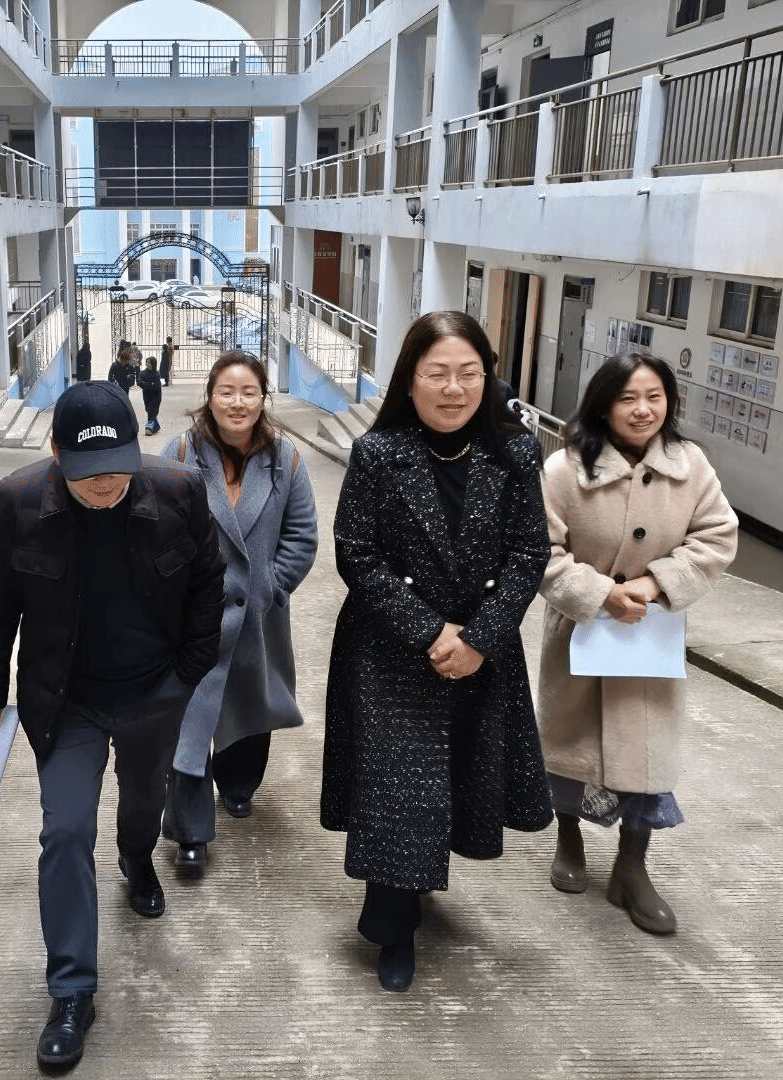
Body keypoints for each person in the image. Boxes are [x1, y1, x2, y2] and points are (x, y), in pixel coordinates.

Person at [0, 381, 224, 1069]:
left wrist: (188, 672)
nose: (105, 485)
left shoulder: (178, 491)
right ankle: (72, 990)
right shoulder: (17, 501)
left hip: (154, 692)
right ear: (56, 455)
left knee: (144, 800)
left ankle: (136, 857)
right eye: (88, 475)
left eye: (117, 469)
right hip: (65, 700)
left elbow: (209, 582)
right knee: (65, 828)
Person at [321, 310, 552, 993]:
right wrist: (429, 631)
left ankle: (418, 885)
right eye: (437, 374)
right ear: (409, 379)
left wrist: (480, 637)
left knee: (452, 778)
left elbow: (530, 552)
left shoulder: (516, 453)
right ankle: (392, 929)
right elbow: (356, 553)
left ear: (487, 376)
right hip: (390, 649)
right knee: (400, 789)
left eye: (468, 373)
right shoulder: (377, 453)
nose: (454, 389)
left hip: (482, 647)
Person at [537, 351, 737, 935]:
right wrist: (599, 593)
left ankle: (631, 866)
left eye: (655, 397)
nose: (643, 409)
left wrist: (654, 584)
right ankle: (568, 838)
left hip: (651, 635)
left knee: (645, 752)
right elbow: (538, 551)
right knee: (570, 744)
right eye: (627, 398)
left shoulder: (690, 465)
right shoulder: (563, 470)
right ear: (602, 405)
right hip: (580, 631)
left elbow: (718, 536)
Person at [161, 352, 317, 869]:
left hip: (256, 611)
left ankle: (239, 783)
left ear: (262, 398)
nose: (237, 402)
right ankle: (189, 829)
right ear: (209, 396)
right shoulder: (180, 451)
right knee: (189, 717)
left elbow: (302, 535)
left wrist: (271, 585)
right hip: (194, 614)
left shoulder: (285, 459)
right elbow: (153, 524)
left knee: (249, 699)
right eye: (226, 391)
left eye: (249, 392)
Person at [136, 361, 163, 434]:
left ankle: (149, 428)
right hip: (147, 395)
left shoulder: (156, 374)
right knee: (149, 409)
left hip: (155, 395)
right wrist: (150, 384)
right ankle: (156, 426)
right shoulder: (143, 373)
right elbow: (139, 382)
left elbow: (156, 386)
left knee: (152, 410)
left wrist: (146, 385)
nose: (147, 364)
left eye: (149, 362)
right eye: (147, 362)